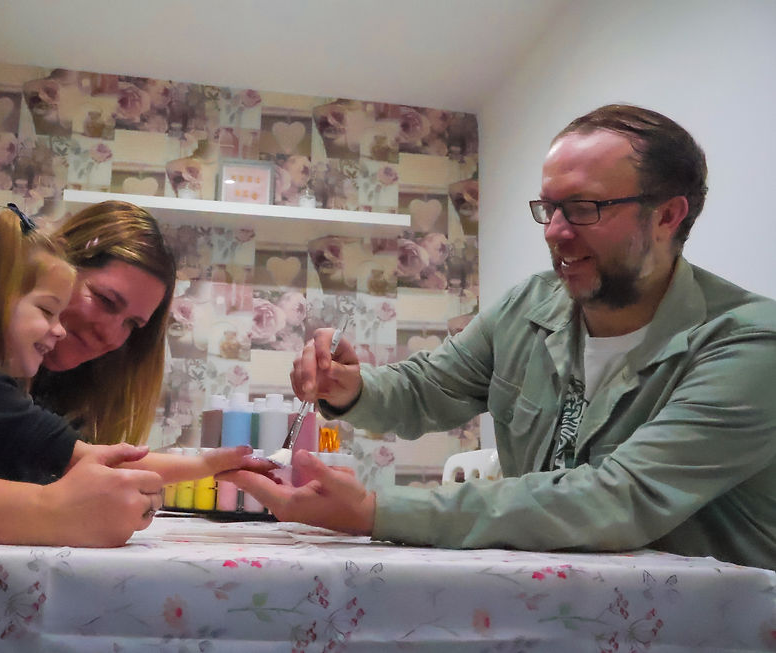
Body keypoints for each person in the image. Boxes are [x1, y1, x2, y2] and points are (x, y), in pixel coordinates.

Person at [227, 104, 776, 571]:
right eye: (549, 208)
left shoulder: (749, 345)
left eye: (584, 208)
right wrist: (350, 388)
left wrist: (376, 511)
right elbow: (425, 389)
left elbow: (621, 498)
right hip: (556, 611)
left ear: (668, 216)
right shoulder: (530, 305)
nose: (556, 232)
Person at [0, 208, 268, 651]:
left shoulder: (44, 374)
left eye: (133, 324)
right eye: (106, 301)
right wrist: (51, 510)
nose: (113, 335)